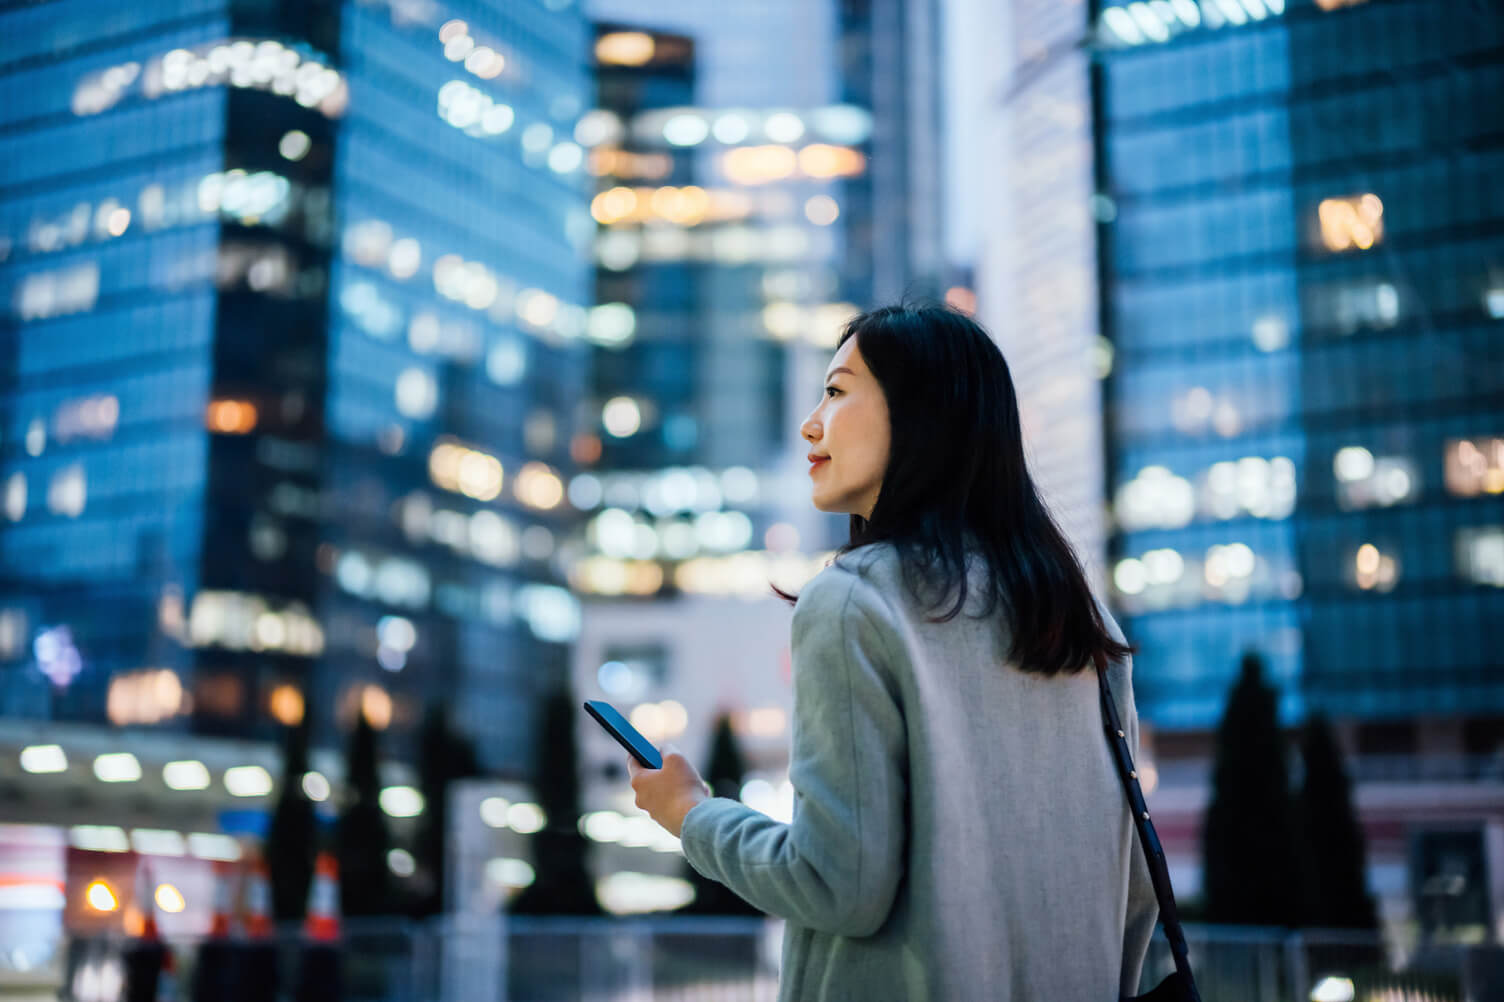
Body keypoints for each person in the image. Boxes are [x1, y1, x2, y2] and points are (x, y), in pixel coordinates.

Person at [627, 303, 1158, 1000]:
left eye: (839, 391)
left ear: (918, 416)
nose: (811, 422)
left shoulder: (855, 603)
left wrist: (692, 815)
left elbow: (837, 883)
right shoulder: (1078, 619)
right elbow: (1135, 898)